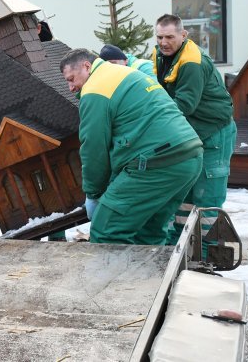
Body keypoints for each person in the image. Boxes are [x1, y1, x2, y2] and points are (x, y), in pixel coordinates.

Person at [60, 48, 203, 245]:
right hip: (189, 156)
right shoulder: (127, 73)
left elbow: (94, 149)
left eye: (71, 79)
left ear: (87, 66)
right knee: (148, 231)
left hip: (156, 161)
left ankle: (113, 277)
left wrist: (93, 194)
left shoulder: (95, 89)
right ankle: (154, 275)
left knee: (106, 231)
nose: (71, 87)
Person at [152, 14, 237, 243]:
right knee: (186, 193)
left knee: (207, 196)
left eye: (169, 36)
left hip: (214, 133)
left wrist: (151, 124)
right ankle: (181, 248)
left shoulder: (192, 62)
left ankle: (206, 254)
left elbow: (184, 106)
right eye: (159, 37)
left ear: (183, 35)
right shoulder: (162, 57)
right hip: (192, 133)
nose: (163, 42)